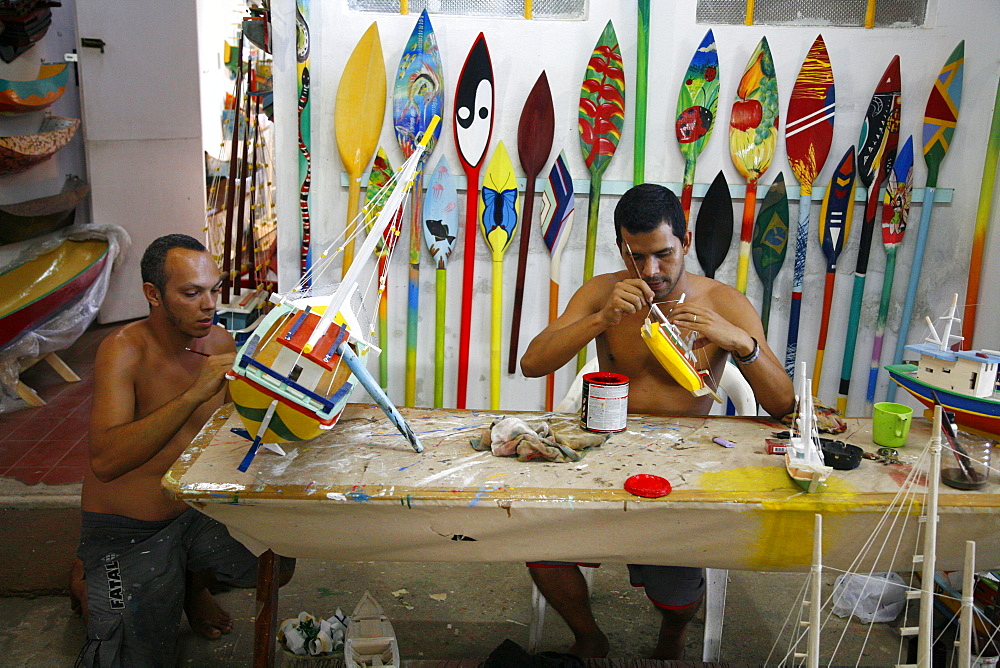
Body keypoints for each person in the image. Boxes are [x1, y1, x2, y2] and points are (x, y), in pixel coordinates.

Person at [520, 184, 795, 659]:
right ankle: (590, 639)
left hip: (683, 466)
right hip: (603, 450)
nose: (651, 271)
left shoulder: (724, 301)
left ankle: (674, 627)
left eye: (663, 255)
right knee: (538, 549)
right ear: (621, 246)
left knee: (676, 597)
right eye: (637, 256)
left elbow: (784, 404)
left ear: (685, 243)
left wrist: (738, 342)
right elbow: (532, 363)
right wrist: (601, 319)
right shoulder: (603, 292)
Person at [74, 234, 294, 667]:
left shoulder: (219, 344)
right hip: (129, 529)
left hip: (195, 513)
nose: (209, 304)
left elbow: (237, 435)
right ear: (153, 295)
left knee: (276, 559)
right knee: (133, 657)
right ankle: (90, 577)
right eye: (192, 293)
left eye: (213, 289)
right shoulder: (122, 350)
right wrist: (194, 394)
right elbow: (106, 461)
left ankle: (188, 583)